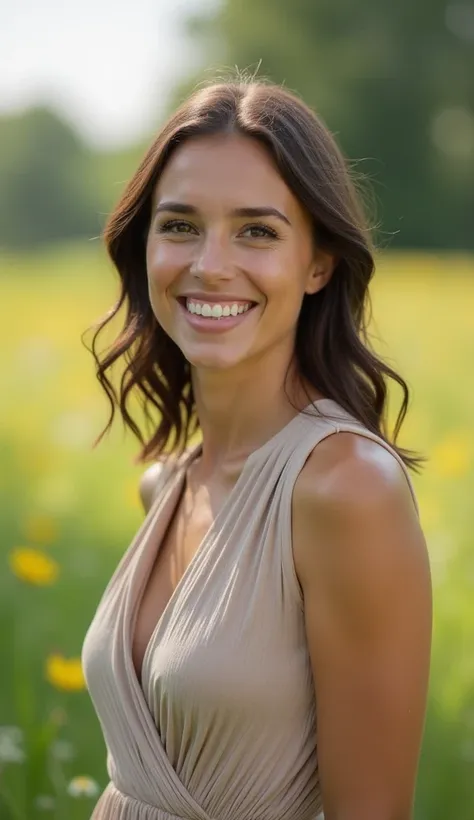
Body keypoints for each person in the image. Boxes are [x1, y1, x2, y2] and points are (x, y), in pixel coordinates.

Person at [81, 78, 432, 820]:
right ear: (144, 246)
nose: (210, 264)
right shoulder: (166, 484)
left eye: (257, 231)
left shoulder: (346, 489)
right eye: (179, 226)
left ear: (318, 264)